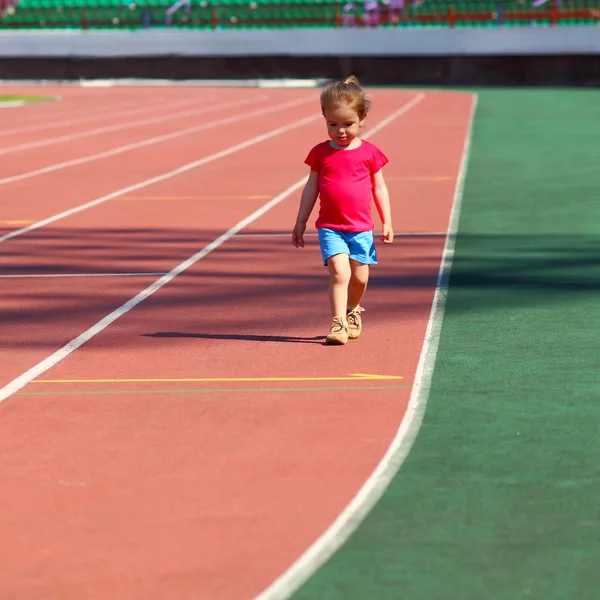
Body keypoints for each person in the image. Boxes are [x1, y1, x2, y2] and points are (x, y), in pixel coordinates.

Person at [292, 75, 394, 346]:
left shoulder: (370, 153)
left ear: (362, 118)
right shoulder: (320, 153)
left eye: (347, 124)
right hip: (330, 226)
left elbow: (379, 189)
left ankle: (352, 310)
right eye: (332, 124)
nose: (340, 131)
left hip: (361, 227)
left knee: (360, 277)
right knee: (340, 272)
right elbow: (310, 189)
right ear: (324, 118)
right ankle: (337, 323)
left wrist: (387, 221)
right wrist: (301, 221)